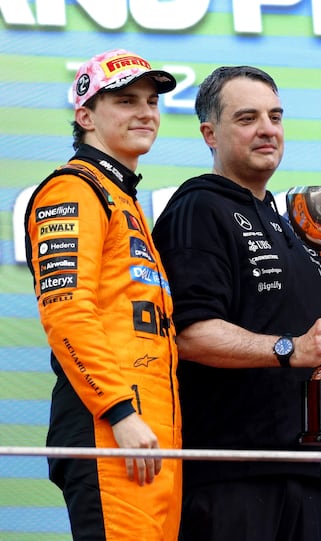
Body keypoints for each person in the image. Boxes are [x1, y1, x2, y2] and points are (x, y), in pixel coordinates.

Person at [151, 66, 321, 541]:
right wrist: (292, 349)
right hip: (227, 473)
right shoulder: (199, 208)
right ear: (210, 134)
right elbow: (189, 335)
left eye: (275, 116)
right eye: (247, 118)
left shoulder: (286, 222)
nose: (267, 129)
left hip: (298, 469)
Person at [23, 49, 181, 540]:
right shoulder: (72, 190)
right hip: (112, 427)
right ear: (86, 116)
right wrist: (119, 411)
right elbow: (67, 313)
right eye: (126, 101)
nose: (145, 112)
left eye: (151, 101)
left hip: (150, 432)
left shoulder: (121, 196)